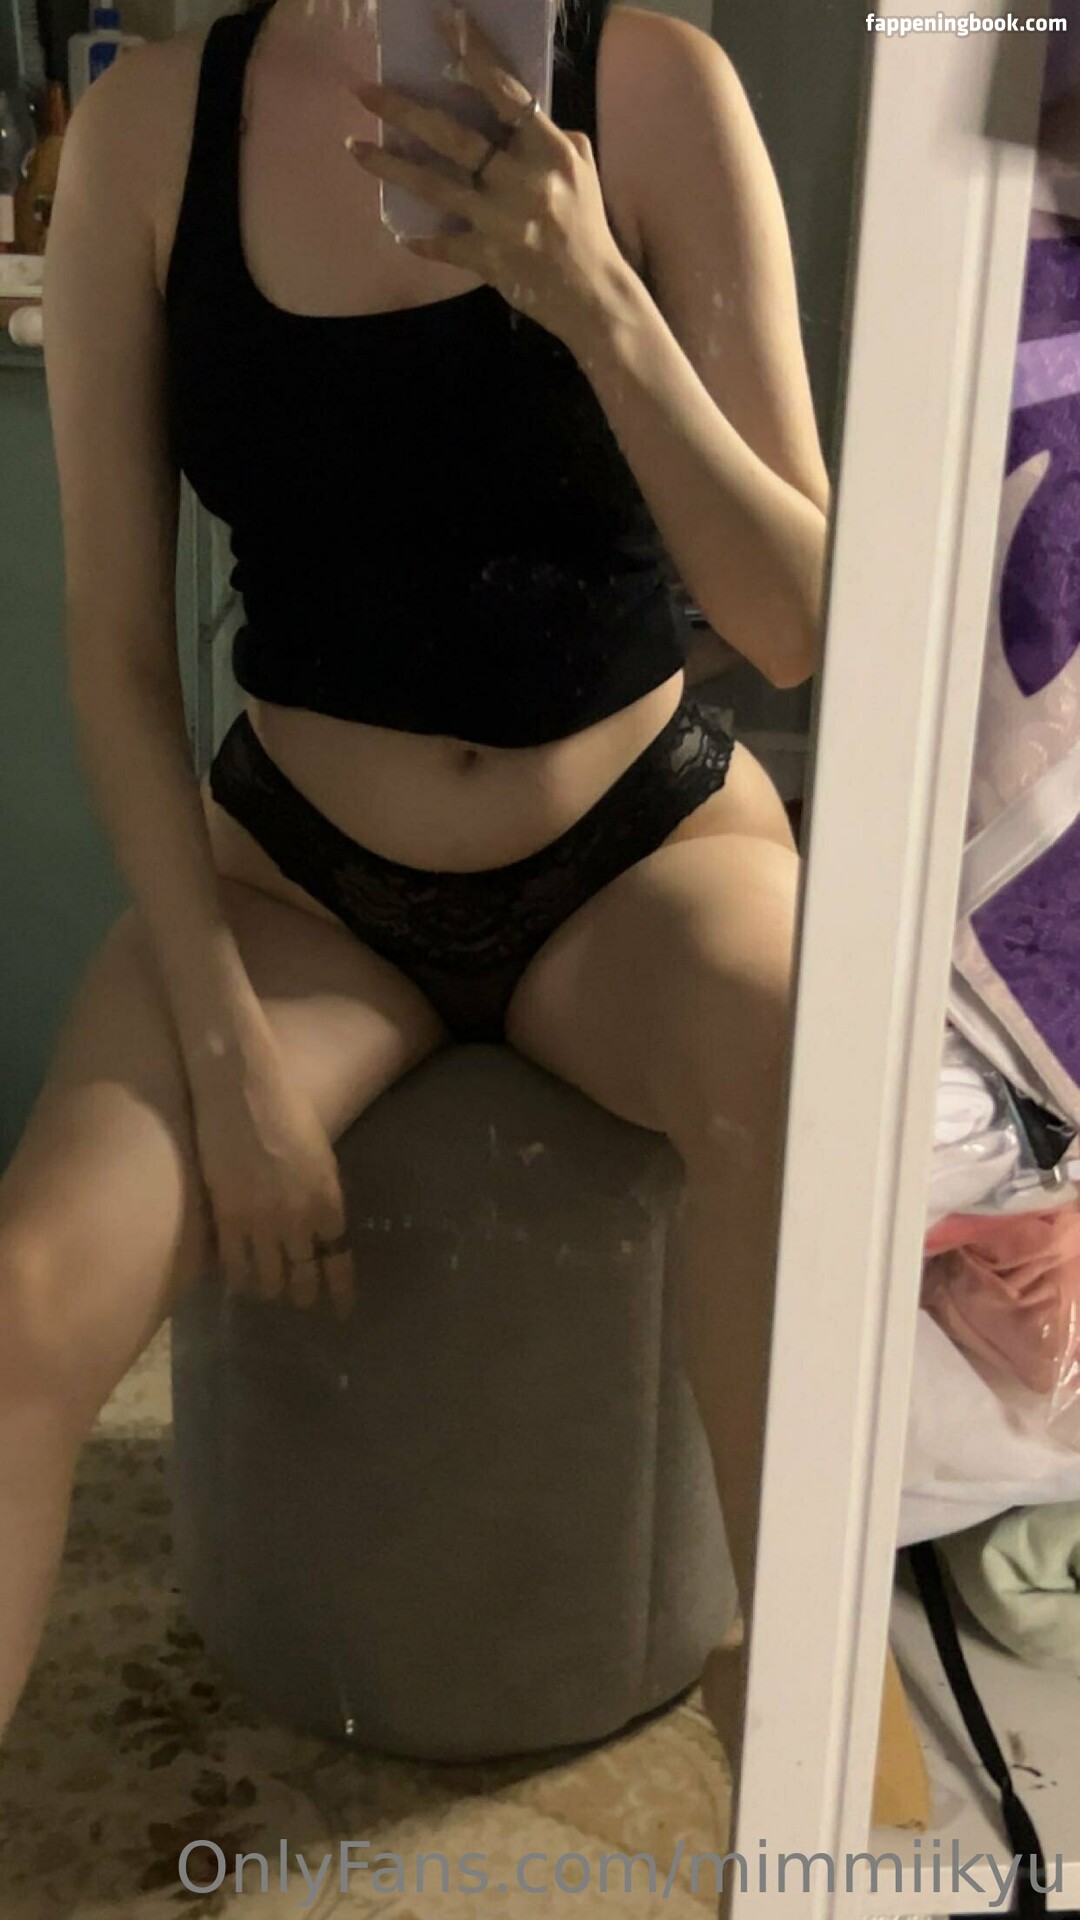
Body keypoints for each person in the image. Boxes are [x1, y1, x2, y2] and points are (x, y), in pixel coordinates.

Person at [0, 0, 830, 1814]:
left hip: (639, 855)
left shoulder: (659, 88)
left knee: (806, 1083)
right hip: (302, 881)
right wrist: (227, 1056)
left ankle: (810, 1734)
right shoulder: (148, 136)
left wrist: (596, 298)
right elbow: (115, 653)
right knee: (25, 1303)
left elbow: (792, 620)